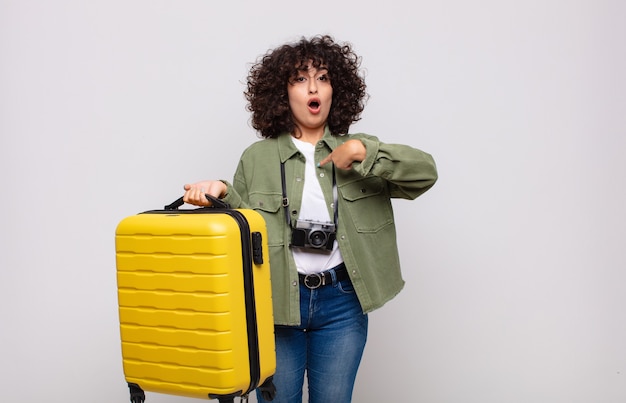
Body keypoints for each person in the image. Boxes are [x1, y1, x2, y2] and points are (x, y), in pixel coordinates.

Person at [183, 34, 437, 403]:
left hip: (342, 303)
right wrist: (219, 190)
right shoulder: (257, 157)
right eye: (300, 79)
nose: (313, 87)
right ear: (283, 94)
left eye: (323, 77)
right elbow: (245, 224)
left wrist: (365, 151)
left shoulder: (359, 149)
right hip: (277, 302)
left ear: (336, 90)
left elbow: (425, 173)